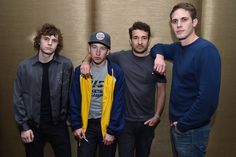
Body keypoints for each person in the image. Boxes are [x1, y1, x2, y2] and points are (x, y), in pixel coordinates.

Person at [80, 22, 166, 157]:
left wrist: (157, 116)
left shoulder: (156, 62)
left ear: (148, 40)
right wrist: (85, 61)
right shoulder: (120, 57)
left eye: (144, 38)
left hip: (147, 123)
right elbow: (99, 53)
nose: (140, 42)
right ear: (130, 40)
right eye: (136, 38)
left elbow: (161, 91)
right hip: (125, 122)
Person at [151, 2, 221, 157]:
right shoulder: (178, 49)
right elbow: (156, 47)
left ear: (194, 22)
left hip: (191, 130)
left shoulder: (206, 51)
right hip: (178, 126)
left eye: (184, 20)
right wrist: (160, 56)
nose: (179, 25)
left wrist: (182, 126)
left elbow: (208, 100)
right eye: (175, 21)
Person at [13, 23, 73, 157]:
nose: (50, 43)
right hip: (33, 126)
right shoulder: (25, 67)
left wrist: (71, 121)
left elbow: (71, 95)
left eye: (54, 40)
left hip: (58, 125)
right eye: (46, 39)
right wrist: (24, 127)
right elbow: (18, 98)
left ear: (58, 45)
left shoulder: (66, 65)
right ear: (39, 41)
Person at [70, 31, 125, 157]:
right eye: (94, 47)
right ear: (89, 49)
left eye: (102, 48)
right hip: (87, 126)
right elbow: (74, 99)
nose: (98, 52)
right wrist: (76, 125)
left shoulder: (116, 72)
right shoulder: (80, 71)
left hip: (106, 126)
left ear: (108, 51)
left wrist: (112, 131)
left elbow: (118, 104)